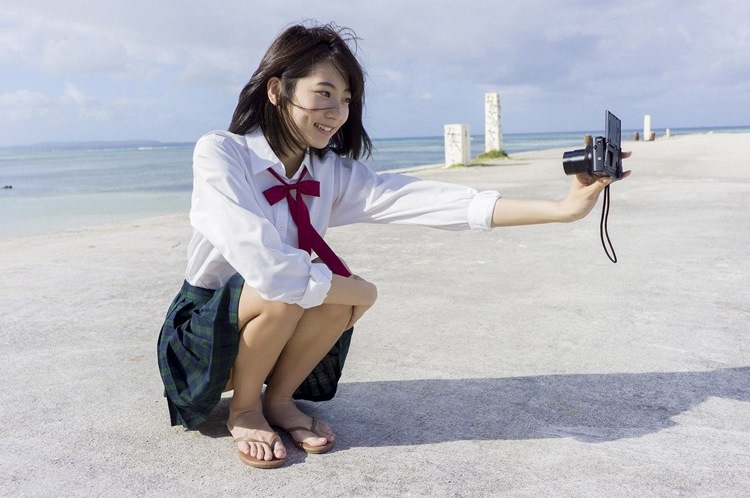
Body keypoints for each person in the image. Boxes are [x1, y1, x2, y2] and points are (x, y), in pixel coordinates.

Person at [157, 22, 630, 469]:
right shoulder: (221, 153)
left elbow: (429, 200)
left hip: (274, 318)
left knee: (328, 302)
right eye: (323, 94)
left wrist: (562, 208)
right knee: (298, 293)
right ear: (277, 90)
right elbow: (268, 268)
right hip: (204, 331)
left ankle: (278, 400)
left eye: (345, 99)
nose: (337, 112)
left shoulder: (329, 172)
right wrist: (360, 291)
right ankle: (244, 411)